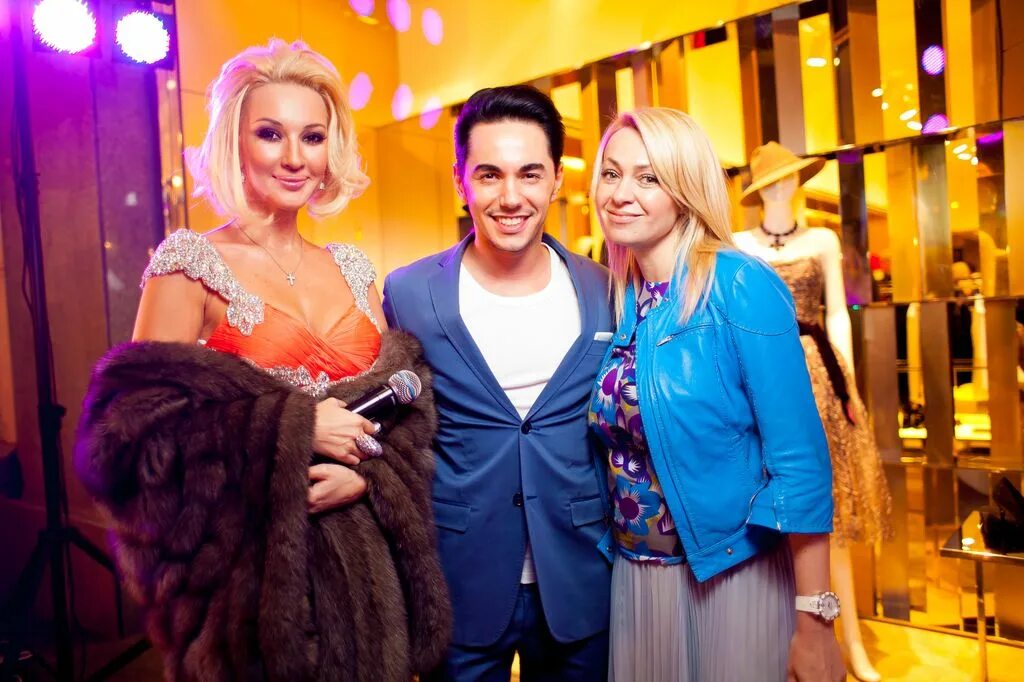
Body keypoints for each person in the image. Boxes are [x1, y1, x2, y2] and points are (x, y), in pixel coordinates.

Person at [74, 39, 450, 681]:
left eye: (313, 136)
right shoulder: (190, 263)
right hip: (254, 604)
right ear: (235, 142)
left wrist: (368, 477)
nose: (295, 157)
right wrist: (293, 428)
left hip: (368, 600)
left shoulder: (353, 268)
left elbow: (406, 420)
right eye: (271, 134)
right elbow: (127, 440)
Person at [587, 108, 845, 682]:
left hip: (731, 576)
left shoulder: (739, 283)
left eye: (648, 177)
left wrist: (816, 622)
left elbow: (799, 462)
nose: (621, 193)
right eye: (611, 173)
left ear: (686, 188)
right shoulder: (621, 295)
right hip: (636, 579)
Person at [382, 85, 613, 681]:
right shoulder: (409, 292)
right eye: (489, 175)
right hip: (459, 577)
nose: (511, 197)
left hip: (582, 576)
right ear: (461, 181)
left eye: (530, 174)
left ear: (556, 179)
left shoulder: (605, 288)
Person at [734, 141, 893, 682]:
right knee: (766, 506)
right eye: (771, 181)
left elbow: (837, 313)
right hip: (760, 373)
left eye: (788, 178)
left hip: (817, 371)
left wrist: (847, 382)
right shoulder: (738, 245)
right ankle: (776, 637)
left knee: (829, 509)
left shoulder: (822, 239)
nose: (782, 187)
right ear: (758, 192)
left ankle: (850, 640)